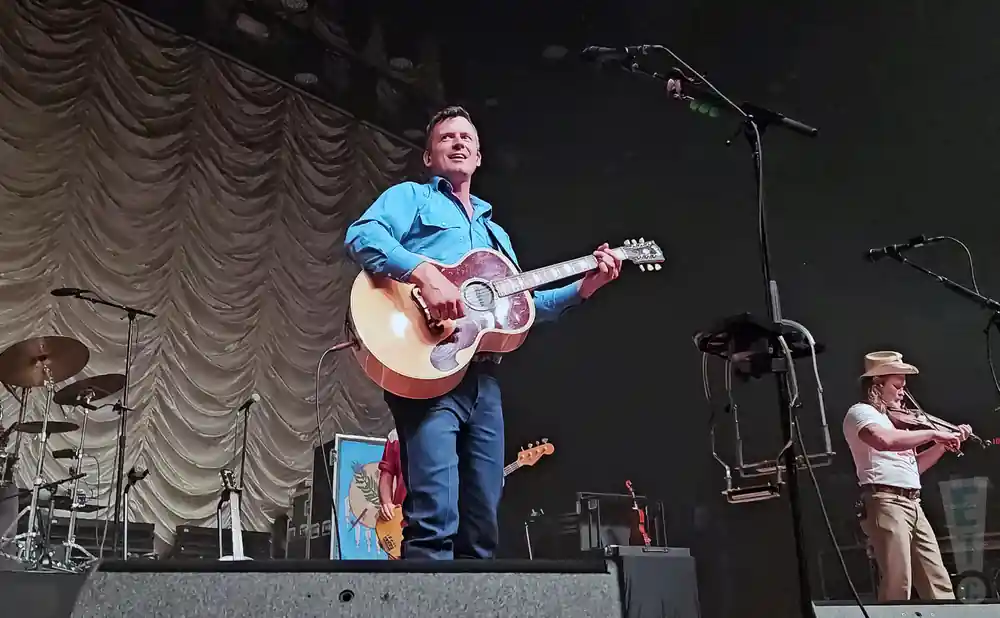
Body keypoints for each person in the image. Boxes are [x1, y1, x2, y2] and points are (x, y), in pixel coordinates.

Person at [345, 105, 621, 559]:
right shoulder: (413, 198)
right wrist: (424, 274)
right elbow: (363, 236)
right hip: (428, 370)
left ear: (478, 158)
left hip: (484, 381)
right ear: (428, 157)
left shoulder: (497, 237)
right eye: (446, 137)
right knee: (433, 519)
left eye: (466, 138)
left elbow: (527, 311)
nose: (458, 142)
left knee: (482, 528)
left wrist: (586, 285)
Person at [842, 351, 973, 601]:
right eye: (897, 386)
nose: (903, 392)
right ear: (876, 385)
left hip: (913, 503)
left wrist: (944, 444)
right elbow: (884, 441)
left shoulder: (897, 422)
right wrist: (933, 434)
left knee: (938, 582)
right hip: (885, 501)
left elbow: (915, 467)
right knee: (898, 582)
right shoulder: (861, 413)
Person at [377, 429, 405, 522]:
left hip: (438, 516)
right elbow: (387, 473)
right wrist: (387, 503)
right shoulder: (395, 435)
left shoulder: (447, 427)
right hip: (402, 517)